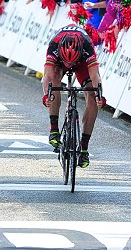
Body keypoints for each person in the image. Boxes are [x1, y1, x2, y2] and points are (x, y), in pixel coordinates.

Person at [42, 25, 104, 168]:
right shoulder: (54, 45)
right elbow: (48, 76)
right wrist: (46, 95)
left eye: (71, 62)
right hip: (59, 62)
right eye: (67, 62)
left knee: (92, 96)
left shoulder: (87, 46)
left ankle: (84, 149)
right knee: (54, 82)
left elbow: (95, 76)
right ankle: (54, 130)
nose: (69, 65)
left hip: (81, 62)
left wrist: (99, 95)